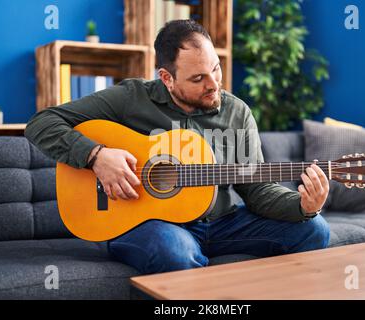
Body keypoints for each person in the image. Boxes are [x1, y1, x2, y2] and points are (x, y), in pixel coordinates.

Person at [25, 20, 330, 275]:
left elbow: (258, 190)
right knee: (175, 250)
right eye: (198, 78)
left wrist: (303, 205)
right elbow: (42, 123)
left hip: (224, 224)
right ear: (167, 78)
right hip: (149, 224)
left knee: (314, 228)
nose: (213, 84)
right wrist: (96, 156)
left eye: (216, 69)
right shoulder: (130, 98)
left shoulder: (237, 112)